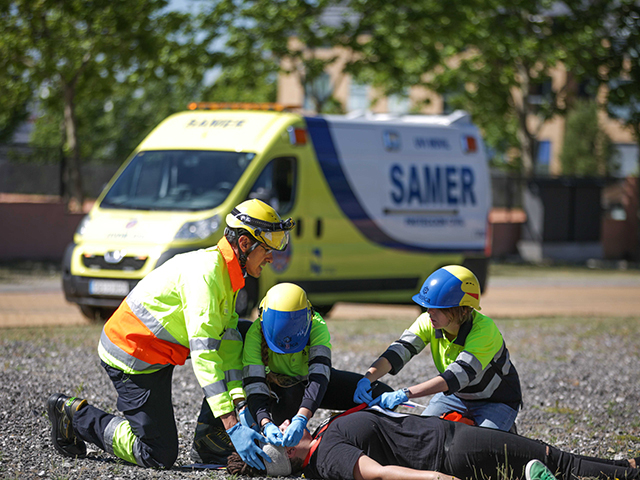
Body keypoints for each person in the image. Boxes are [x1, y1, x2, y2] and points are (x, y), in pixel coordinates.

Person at [46, 199, 294, 470]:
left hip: (160, 350)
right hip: (131, 355)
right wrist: (233, 426)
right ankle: (75, 416)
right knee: (157, 454)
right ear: (245, 244)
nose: (272, 257)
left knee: (246, 335)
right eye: (268, 249)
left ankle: (209, 443)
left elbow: (229, 343)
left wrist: (241, 406)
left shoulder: (229, 275)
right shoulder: (207, 276)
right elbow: (205, 356)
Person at [192, 282, 393, 462]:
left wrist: (302, 418)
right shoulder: (255, 332)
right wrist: (264, 422)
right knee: (281, 447)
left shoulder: (317, 325)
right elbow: (255, 384)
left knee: (380, 393)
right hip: (280, 392)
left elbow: (320, 377)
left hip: (310, 386)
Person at [227, 406, 640, 480]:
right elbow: (379, 473)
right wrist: (436, 479)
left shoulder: (320, 438)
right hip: (450, 450)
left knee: (552, 460)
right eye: (271, 435)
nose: (277, 424)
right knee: (555, 460)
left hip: (450, 440)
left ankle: (623, 465)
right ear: (280, 452)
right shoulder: (328, 458)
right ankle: (628, 472)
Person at [354, 265, 522, 431]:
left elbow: (454, 377)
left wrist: (404, 394)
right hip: (455, 395)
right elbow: (398, 352)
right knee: (423, 434)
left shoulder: (484, 331)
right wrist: (367, 379)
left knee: (483, 447)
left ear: (463, 310)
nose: (429, 312)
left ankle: (508, 432)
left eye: (438, 308)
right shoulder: (430, 320)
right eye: (428, 306)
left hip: (495, 401)